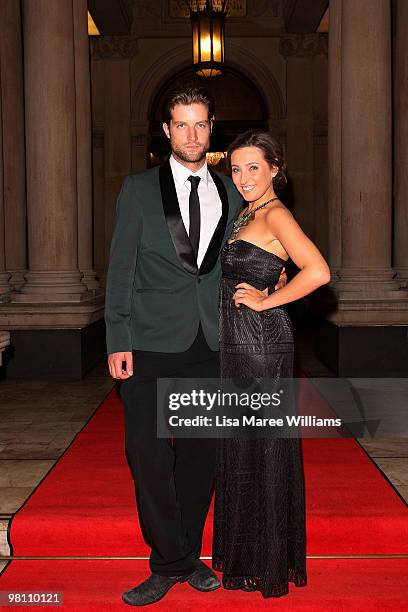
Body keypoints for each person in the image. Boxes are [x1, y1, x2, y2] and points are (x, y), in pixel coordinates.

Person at [104, 84, 251, 606]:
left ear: (213, 128)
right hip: (146, 341)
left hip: (209, 340)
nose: (192, 134)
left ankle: (181, 556)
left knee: (199, 456)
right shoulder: (138, 189)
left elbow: (241, 261)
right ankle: (171, 558)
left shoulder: (233, 193)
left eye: (201, 123)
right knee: (146, 454)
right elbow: (120, 269)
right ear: (166, 130)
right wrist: (117, 335)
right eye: (181, 124)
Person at [212, 130, 330, 598]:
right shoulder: (249, 211)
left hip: (261, 343)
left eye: (253, 168)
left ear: (275, 168)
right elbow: (264, 264)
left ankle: (267, 561)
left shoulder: (276, 212)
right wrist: (270, 275)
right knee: (244, 447)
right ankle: (249, 554)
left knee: (263, 447)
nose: (242, 177)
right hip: (238, 343)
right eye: (236, 168)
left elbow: (318, 271)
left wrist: (268, 301)